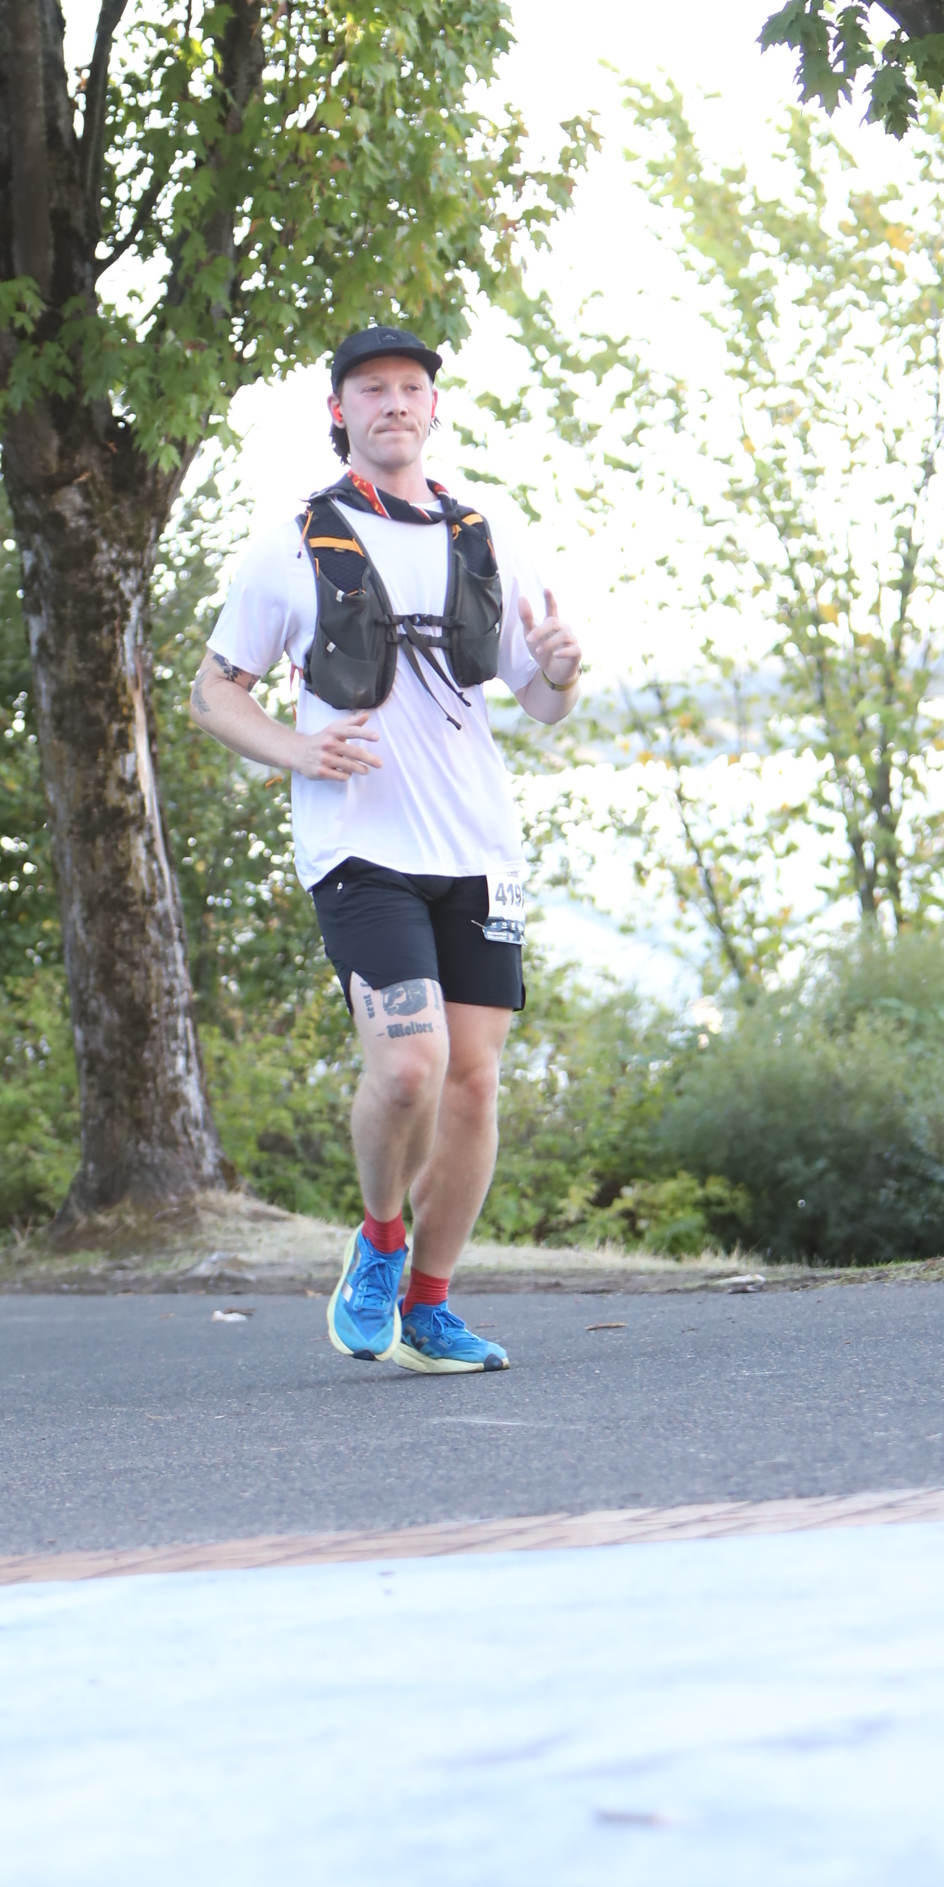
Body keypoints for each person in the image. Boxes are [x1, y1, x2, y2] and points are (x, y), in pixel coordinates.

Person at [189, 326, 585, 1372]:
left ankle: (430, 1310)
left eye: (411, 387)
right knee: (410, 1070)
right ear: (340, 412)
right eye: (372, 389)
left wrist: (561, 668)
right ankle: (377, 1241)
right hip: (359, 848)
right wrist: (298, 751)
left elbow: (542, 702)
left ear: (433, 408)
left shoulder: (482, 535)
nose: (394, 402)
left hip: (477, 849)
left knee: (472, 1085)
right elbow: (211, 693)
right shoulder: (292, 543)